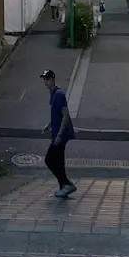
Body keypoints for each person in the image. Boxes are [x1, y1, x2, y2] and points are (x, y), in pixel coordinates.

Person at [40, 70, 76, 198]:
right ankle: (63, 187)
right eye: (44, 79)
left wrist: (59, 135)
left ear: (53, 79)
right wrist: (49, 125)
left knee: (49, 160)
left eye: (48, 79)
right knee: (59, 161)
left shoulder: (59, 94)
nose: (46, 81)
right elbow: (56, 114)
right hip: (57, 132)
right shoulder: (53, 93)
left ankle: (67, 184)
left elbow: (65, 115)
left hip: (61, 134)